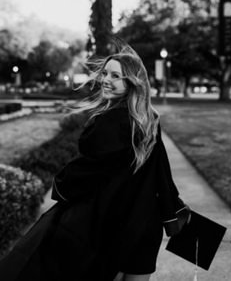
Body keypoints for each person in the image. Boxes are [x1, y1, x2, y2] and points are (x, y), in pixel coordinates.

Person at [0, 43, 190, 281]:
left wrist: (61, 184)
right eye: (105, 73)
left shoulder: (109, 123)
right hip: (144, 222)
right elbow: (162, 172)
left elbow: (84, 173)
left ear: (131, 81)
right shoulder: (149, 120)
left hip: (114, 223)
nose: (105, 80)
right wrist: (173, 210)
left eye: (115, 76)